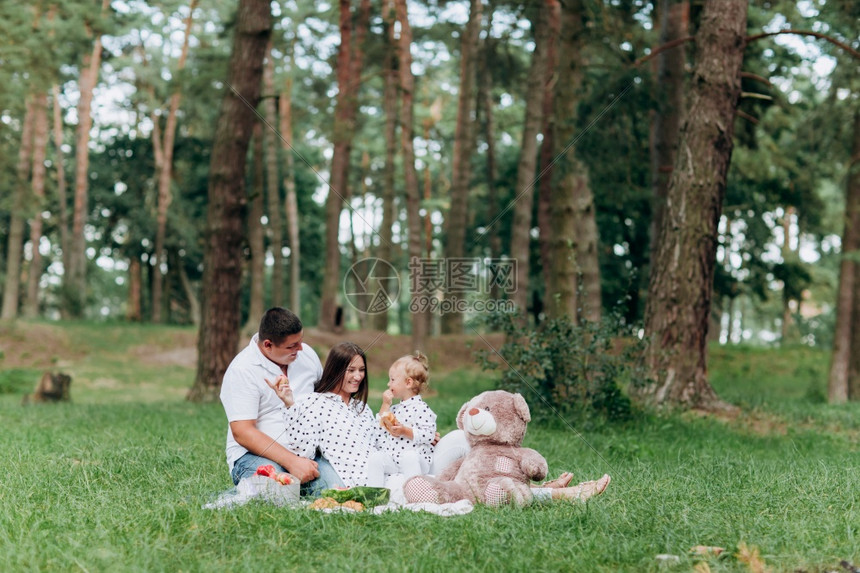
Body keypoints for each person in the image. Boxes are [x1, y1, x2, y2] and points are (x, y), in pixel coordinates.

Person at [219, 307, 342, 493]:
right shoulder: (242, 370)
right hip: (254, 456)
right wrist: (292, 462)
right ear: (268, 345)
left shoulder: (306, 355)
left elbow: (323, 399)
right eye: (292, 346)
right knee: (278, 493)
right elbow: (242, 432)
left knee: (337, 489)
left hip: (307, 450)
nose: (300, 348)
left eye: (300, 341)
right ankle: (231, 497)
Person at [271, 342, 403, 487]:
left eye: (361, 370)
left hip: (384, 473)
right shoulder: (315, 402)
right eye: (351, 370)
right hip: (358, 483)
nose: (358, 376)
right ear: (335, 371)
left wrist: (415, 434)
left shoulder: (362, 407)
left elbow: (380, 443)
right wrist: (289, 404)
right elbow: (303, 451)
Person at [375, 352, 437, 478]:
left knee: (410, 457)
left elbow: (429, 434)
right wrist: (385, 405)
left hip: (418, 461)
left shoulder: (421, 409)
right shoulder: (394, 409)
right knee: (376, 459)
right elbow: (379, 429)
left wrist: (405, 431)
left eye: (392, 380)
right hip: (396, 460)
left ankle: (415, 493)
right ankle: (374, 495)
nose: (388, 384)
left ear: (408, 383)